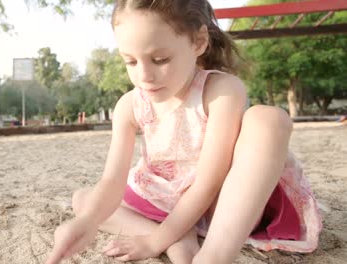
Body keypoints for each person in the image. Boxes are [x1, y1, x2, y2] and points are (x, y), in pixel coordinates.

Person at [46, 1, 322, 263]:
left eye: (160, 59)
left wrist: (155, 242)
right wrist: (85, 224)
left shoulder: (220, 91)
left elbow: (208, 183)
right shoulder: (129, 105)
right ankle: (179, 237)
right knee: (83, 201)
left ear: (198, 42)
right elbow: (111, 183)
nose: (144, 76)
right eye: (130, 61)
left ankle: (212, 256)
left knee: (268, 118)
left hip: (222, 210)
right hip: (163, 200)